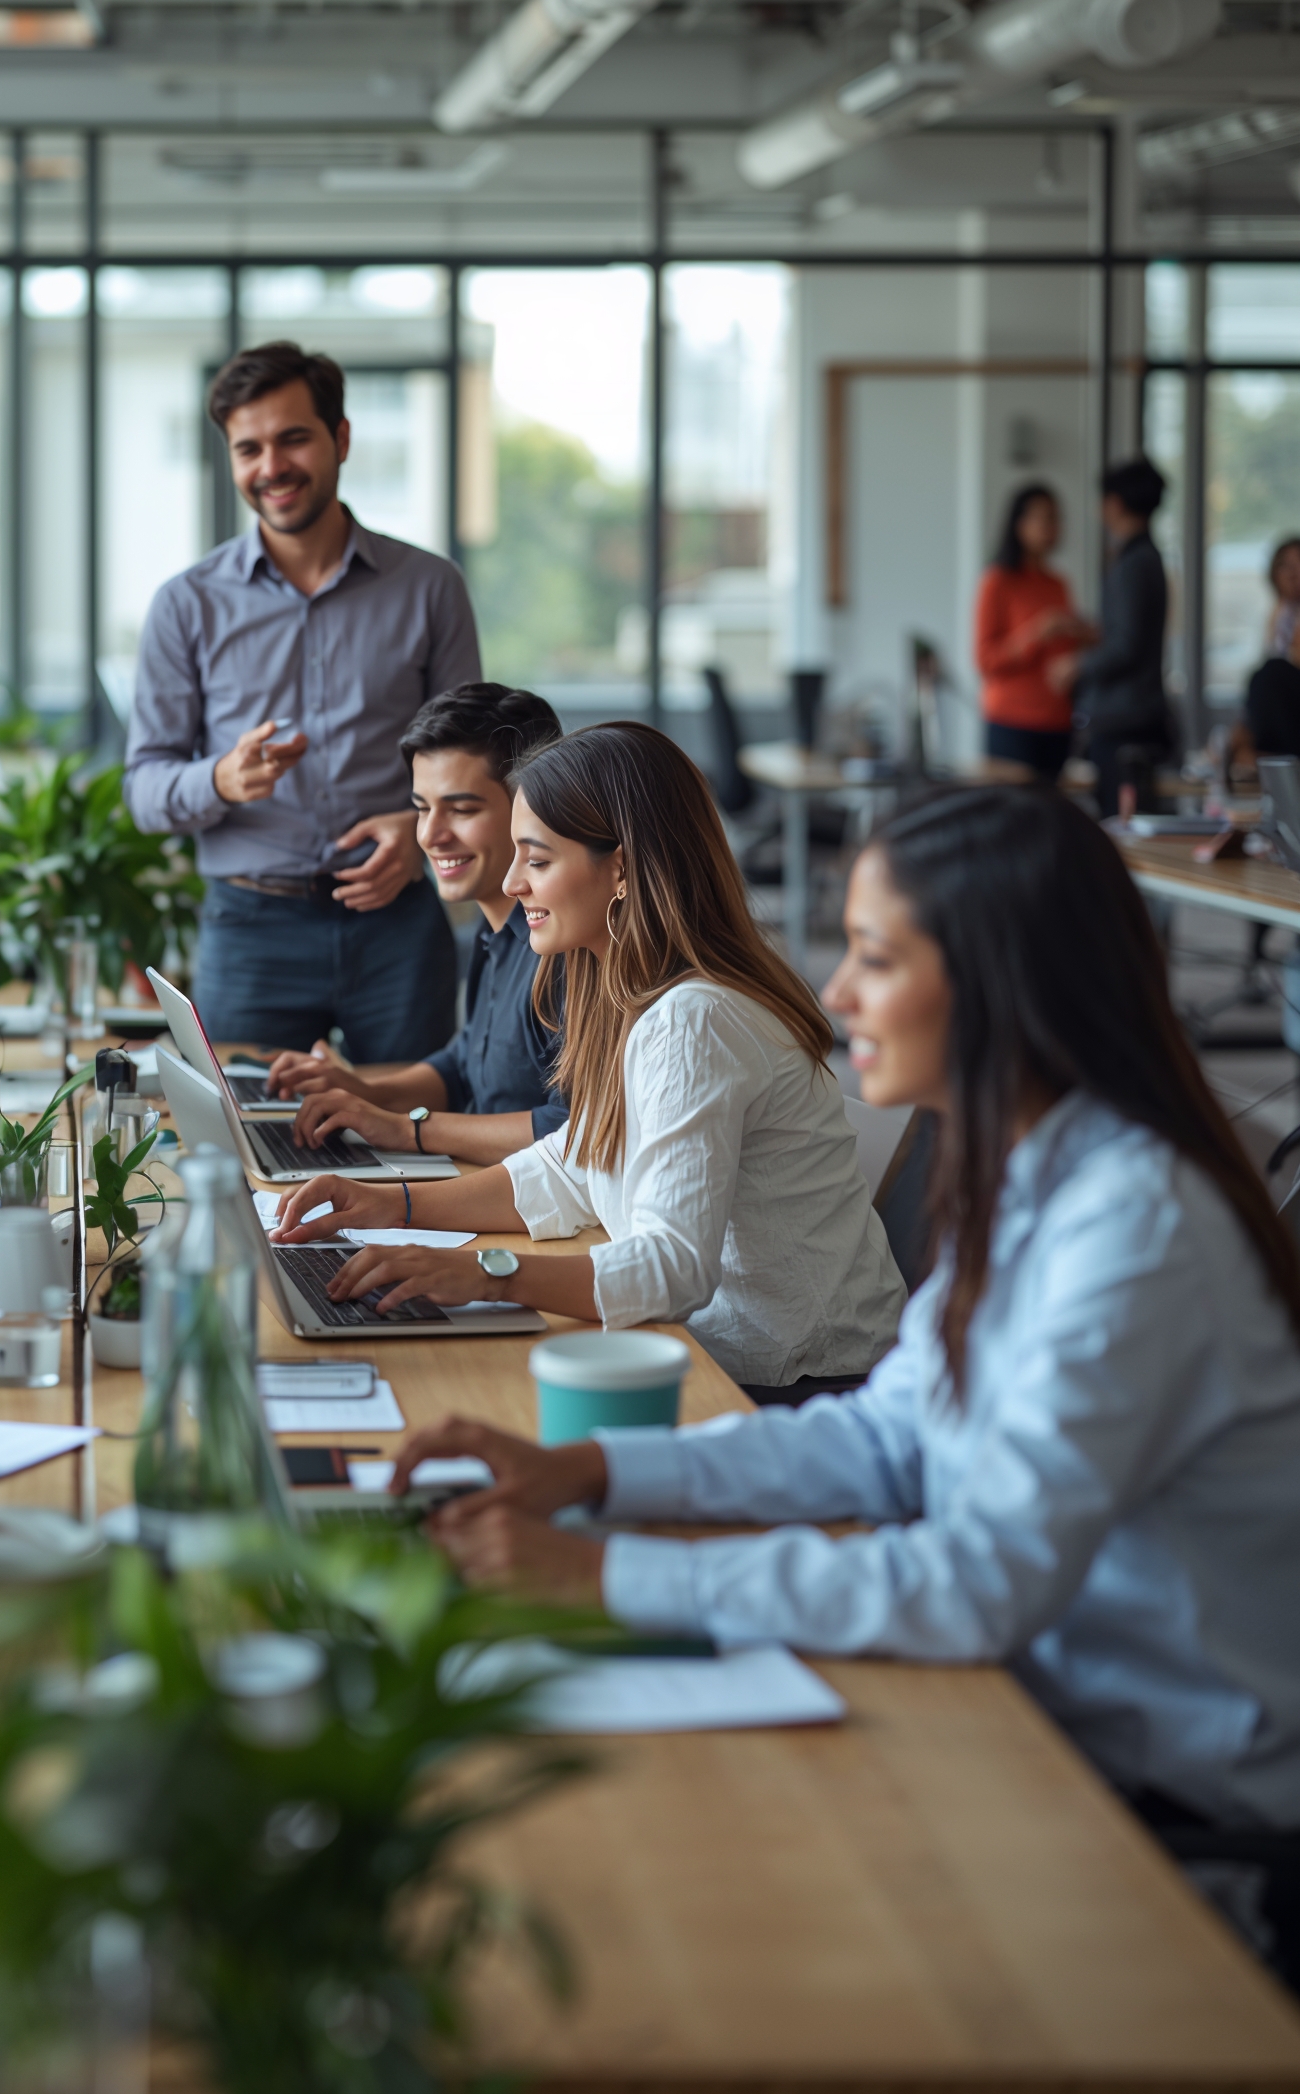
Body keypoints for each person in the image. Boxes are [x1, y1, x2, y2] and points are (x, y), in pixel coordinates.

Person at [389, 784, 1300, 1990]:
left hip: (1161, 1822)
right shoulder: (1032, 1172)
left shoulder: (1137, 1226)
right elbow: (883, 1442)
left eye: (875, 957)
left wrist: (607, 1570)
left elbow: (977, 1581)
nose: (835, 996)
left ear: (997, 981)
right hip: (1022, 1718)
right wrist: (595, 1470)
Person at [273, 721, 905, 1401]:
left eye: (537, 860)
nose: (513, 883)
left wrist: (487, 1273)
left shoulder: (695, 1022)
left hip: (793, 1385)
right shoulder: (626, 995)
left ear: (624, 869)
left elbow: (671, 1271)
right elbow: (572, 1168)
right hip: (707, 1351)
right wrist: (388, 1206)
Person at [123, 342, 482, 1061]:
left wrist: (416, 832)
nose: (271, 467)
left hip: (399, 926)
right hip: (249, 927)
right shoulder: (185, 605)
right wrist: (218, 780)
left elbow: (473, 764)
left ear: (341, 439)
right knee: (235, 1151)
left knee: (420, 1139)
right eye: (248, 448)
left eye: (293, 438)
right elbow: (144, 790)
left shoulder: (429, 587)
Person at [267, 682, 570, 1167]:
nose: (429, 835)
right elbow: (462, 1064)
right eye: (423, 808)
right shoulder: (496, 931)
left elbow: (571, 1129)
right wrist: (363, 1091)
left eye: (463, 809)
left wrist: (405, 1129)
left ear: (532, 806)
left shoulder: (564, 947)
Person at [972, 482, 1093, 783]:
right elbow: (985, 660)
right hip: (1012, 721)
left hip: (1057, 721)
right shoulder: (996, 582)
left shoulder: (1057, 583)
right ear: (1019, 523)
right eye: (1044, 518)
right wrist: (1036, 633)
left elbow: (1066, 653)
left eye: (1055, 518)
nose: (1052, 526)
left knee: (1051, 817)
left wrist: (1082, 634)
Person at [1078, 456, 1174, 815]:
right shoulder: (1147, 558)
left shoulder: (1134, 562)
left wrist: (1076, 666)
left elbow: (1126, 644)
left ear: (1114, 503)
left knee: (1122, 828)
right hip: (1134, 714)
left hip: (1126, 718)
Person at [1244, 537, 1300, 761]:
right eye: (1285, 565)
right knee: (1262, 676)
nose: (1292, 573)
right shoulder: (1277, 616)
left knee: (1270, 673)